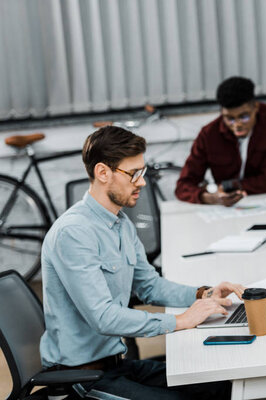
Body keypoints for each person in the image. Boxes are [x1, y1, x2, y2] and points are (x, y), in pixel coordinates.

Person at [40, 126, 244, 399]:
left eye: (142, 172)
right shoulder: (73, 234)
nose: (142, 182)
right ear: (103, 173)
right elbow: (103, 317)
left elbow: (149, 285)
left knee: (219, 384)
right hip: (80, 377)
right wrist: (180, 320)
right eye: (133, 173)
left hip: (116, 365)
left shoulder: (121, 223)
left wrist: (203, 294)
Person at [175, 76, 266, 206]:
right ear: (222, 114)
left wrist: (230, 186)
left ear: (255, 108)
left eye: (244, 117)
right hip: (227, 207)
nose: (237, 125)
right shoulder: (209, 135)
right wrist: (208, 198)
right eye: (230, 118)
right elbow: (183, 186)